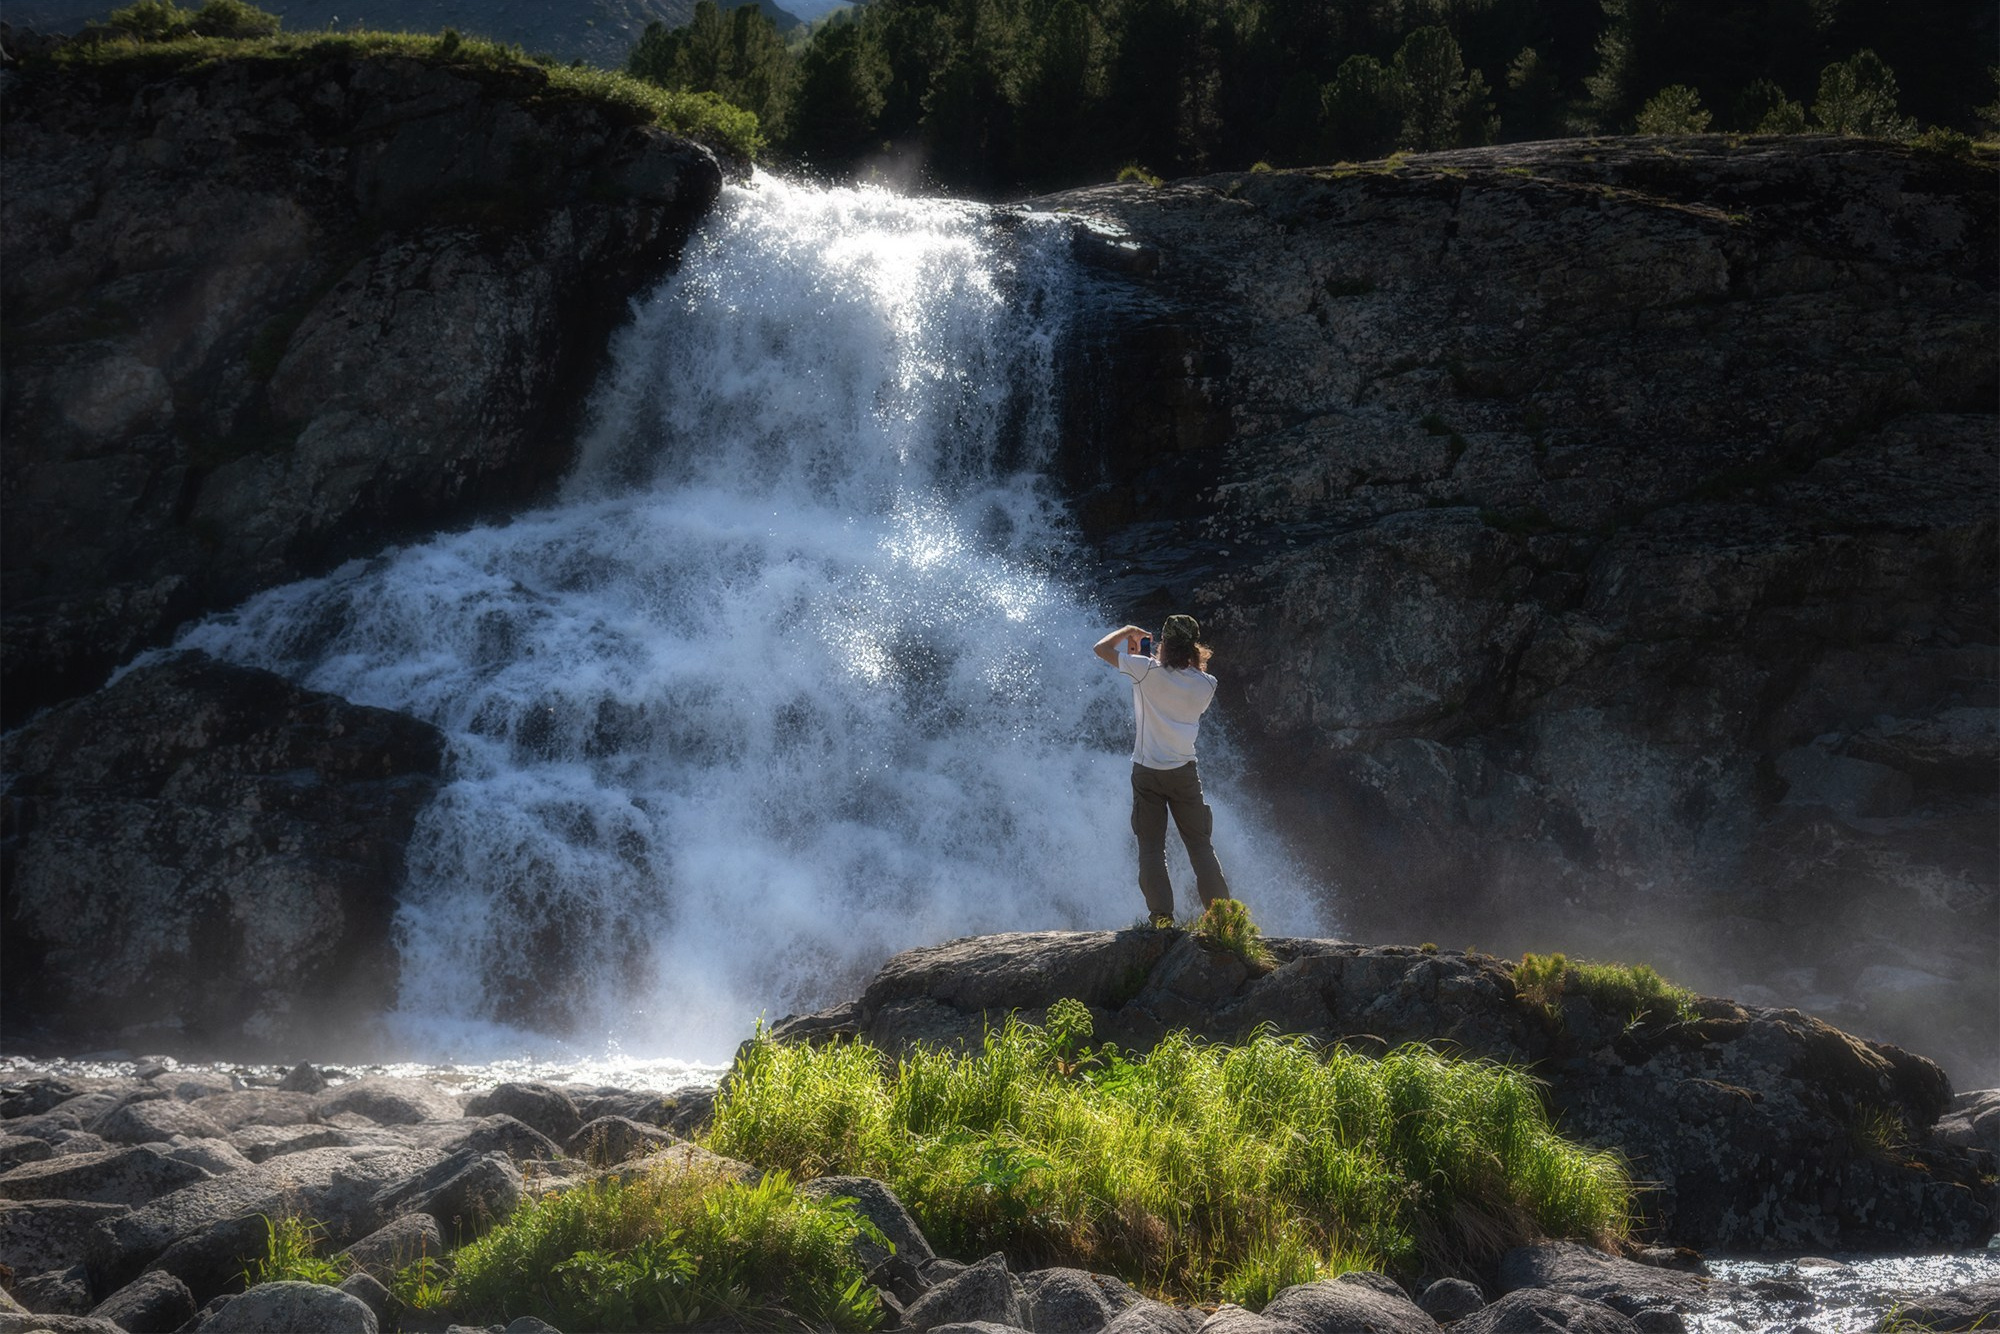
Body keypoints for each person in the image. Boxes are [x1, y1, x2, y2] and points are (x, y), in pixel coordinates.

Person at [1093, 614, 1234, 925]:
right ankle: (1224, 920)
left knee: (1152, 850)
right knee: (1200, 848)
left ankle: (1162, 919)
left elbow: (1101, 649)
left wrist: (1130, 632)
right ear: (1194, 646)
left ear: (1164, 643)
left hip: (1147, 774)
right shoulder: (1208, 685)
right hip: (1184, 773)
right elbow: (1178, 685)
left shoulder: (1143, 670)